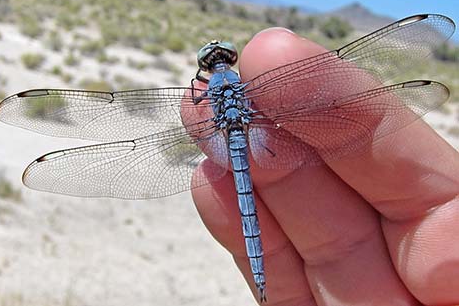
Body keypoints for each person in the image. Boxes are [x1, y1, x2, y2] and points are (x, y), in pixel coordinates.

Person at [191, 28, 459, 305]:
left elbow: (197, 101)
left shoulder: (205, 87)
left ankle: (261, 282)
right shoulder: (245, 85)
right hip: (258, 135)